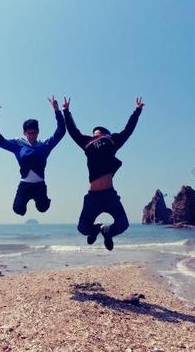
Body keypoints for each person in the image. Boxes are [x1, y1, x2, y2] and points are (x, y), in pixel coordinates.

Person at [62, 96, 144, 250]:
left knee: (123, 224)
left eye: (98, 133)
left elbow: (128, 130)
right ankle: (95, 229)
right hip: (93, 197)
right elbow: (73, 132)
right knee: (82, 228)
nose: (96, 134)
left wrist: (137, 111)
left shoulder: (112, 140)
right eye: (94, 133)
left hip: (109, 195)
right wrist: (66, 111)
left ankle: (107, 232)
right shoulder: (87, 143)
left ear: (106, 134)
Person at [0, 96, 66, 216]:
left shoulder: (44, 146)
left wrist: (57, 111)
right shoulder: (17, 144)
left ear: (38, 132)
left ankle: (44, 201)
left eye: (34, 133)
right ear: (24, 133)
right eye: (29, 133)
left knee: (43, 208)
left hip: (39, 185)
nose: (32, 135)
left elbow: (60, 132)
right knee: (18, 210)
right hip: (25, 185)